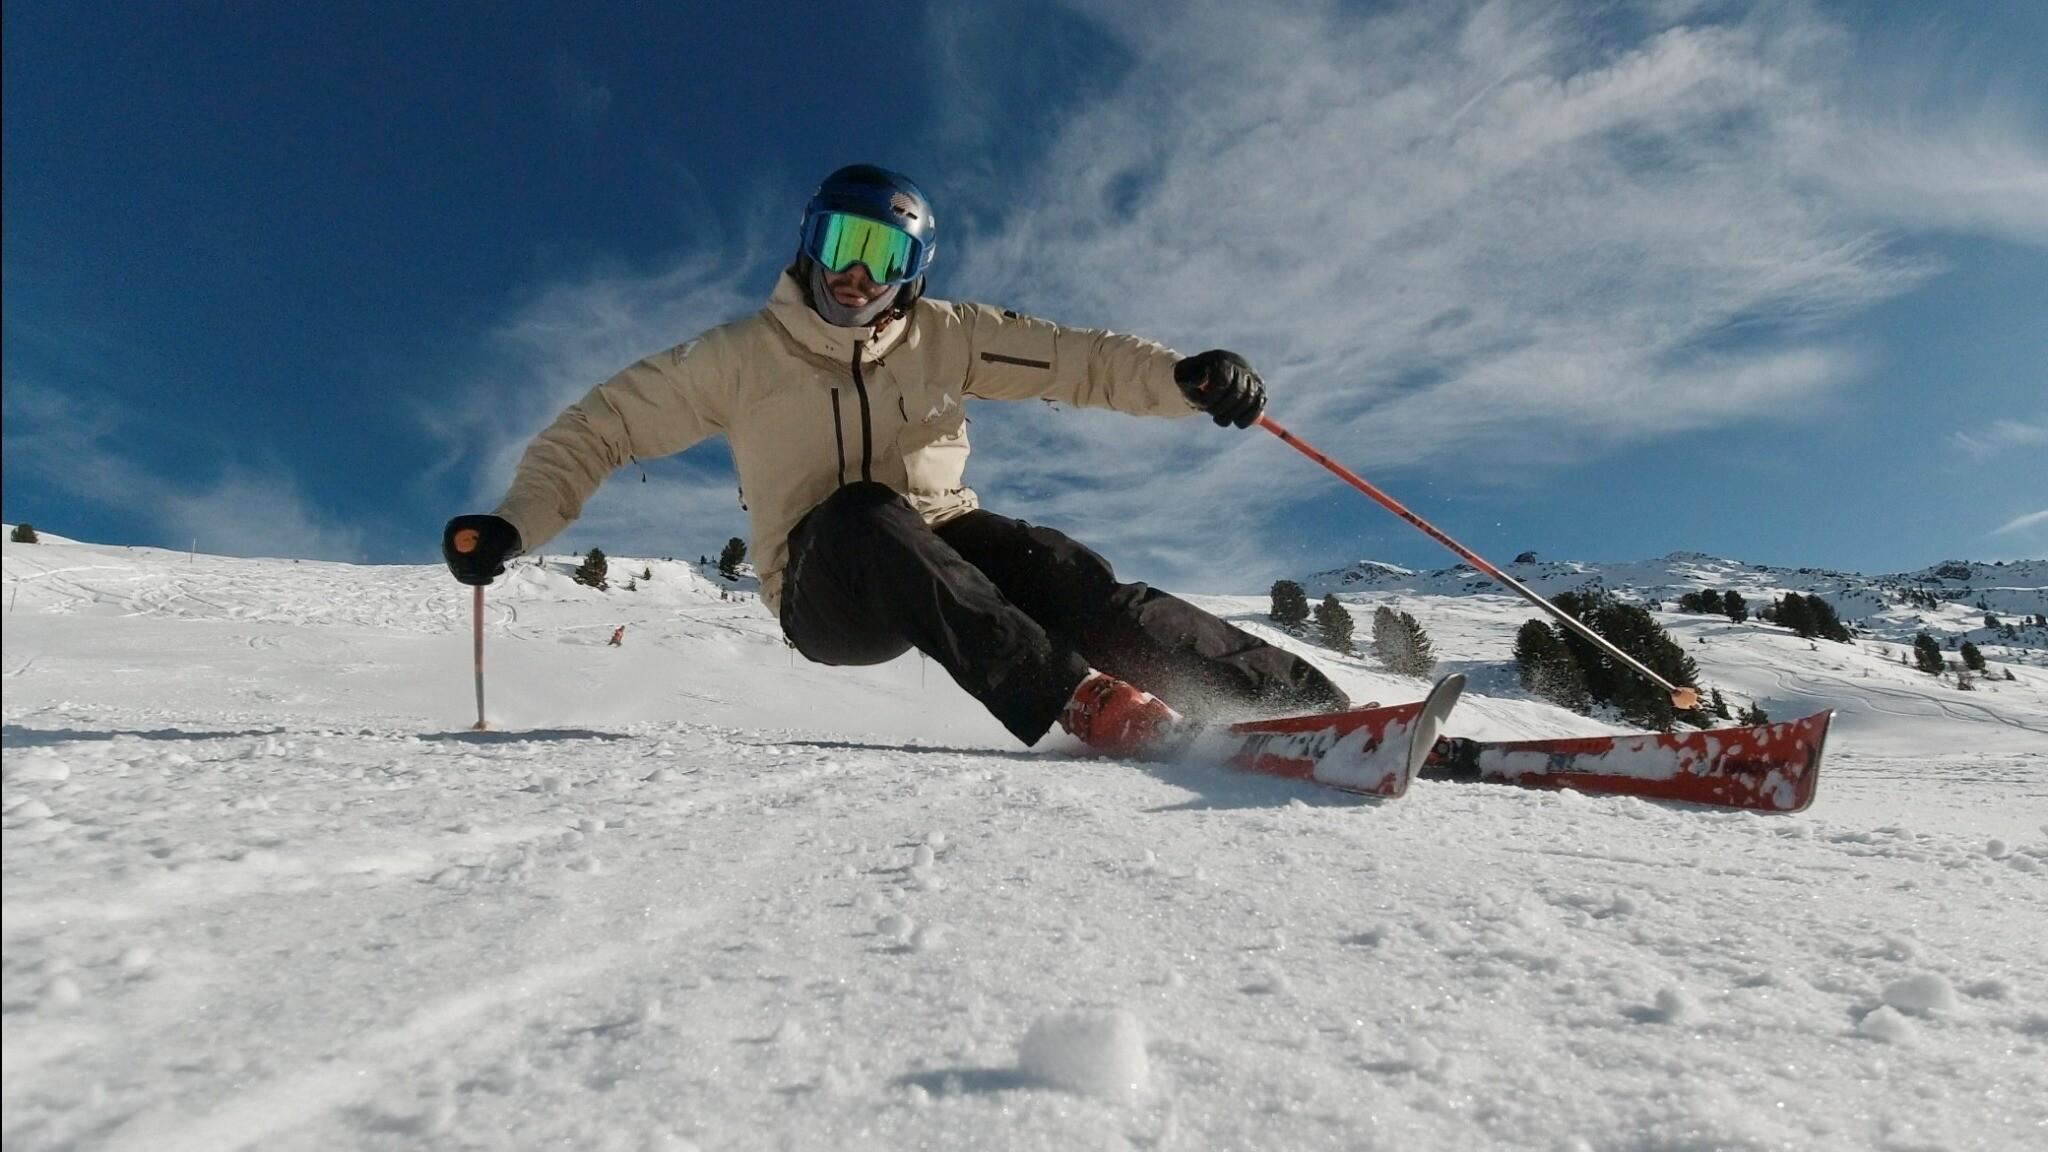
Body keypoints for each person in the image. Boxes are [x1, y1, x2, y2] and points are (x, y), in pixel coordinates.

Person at [443, 164, 1347, 756]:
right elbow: (601, 426)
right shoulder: (740, 357)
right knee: (862, 513)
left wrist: (1182, 380)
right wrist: (515, 524)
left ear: (913, 269)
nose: (857, 274)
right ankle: (1080, 702)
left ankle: (1311, 713)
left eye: (885, 254)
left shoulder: (948, 336)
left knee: (1060, 570)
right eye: (842, 243)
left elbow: (1078, 361)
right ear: (809, 245)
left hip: (943, 541)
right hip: (825, 585)